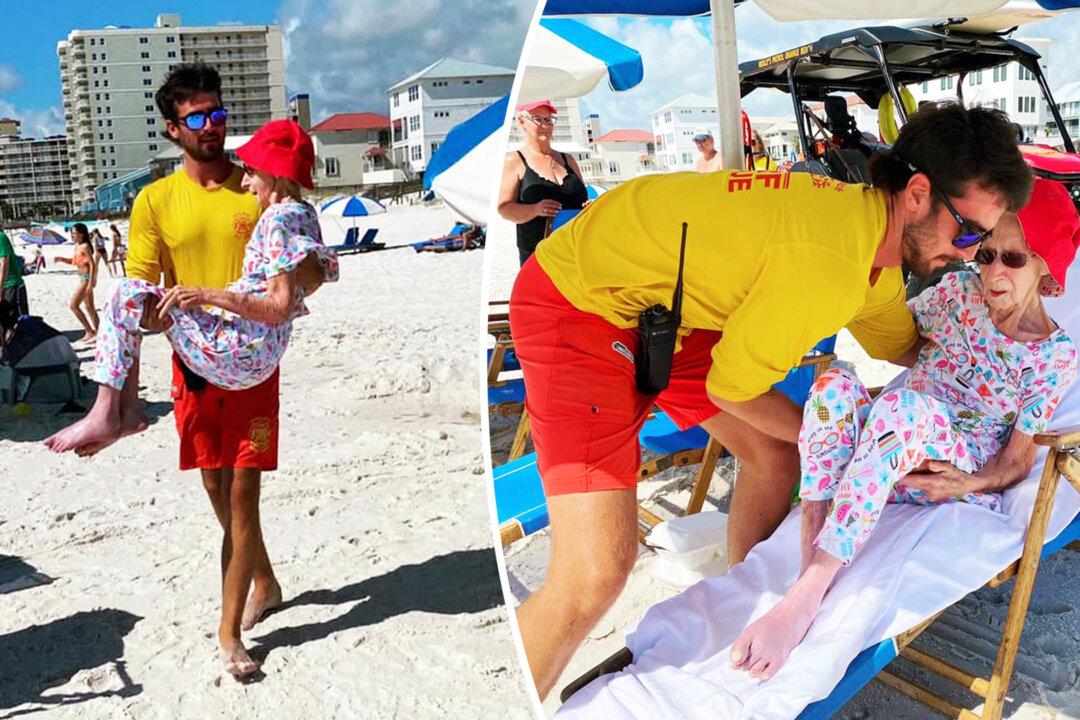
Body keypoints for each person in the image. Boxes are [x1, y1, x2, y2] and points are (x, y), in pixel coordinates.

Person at [508, 102, 1033, 699]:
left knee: (777, 457)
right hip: (579, 300)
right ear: (917, 194)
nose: (969, 256)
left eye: (985, 241)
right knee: (594, 574)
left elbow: (920, 349)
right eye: (967, 234)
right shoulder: (830, 263)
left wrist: (1012, 355)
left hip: (664, 308)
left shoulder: (872, 251)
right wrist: (849, 441)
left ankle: (745, 599)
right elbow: (730, 388)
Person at [730, 177, 1080, 680]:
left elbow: (1019, 458)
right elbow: (890, 328)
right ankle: (812, 550)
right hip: (887, 446)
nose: (993, 272)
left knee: (902, 411)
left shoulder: (1053, 355)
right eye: (986, 256)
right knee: (833, 385)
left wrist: (971, 482)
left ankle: (808, 595)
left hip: (943, 461)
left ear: (1047, 269)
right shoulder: (958, 293)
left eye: (1014, 258)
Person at [93, 63, 281, 679]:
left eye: (219, 114)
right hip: (194, 364)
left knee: (243, 490)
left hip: (254, 364)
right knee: (213, 485)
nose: (212, 126)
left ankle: (228, 635)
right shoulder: (155, 201)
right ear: (173, 129)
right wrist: (148, 312)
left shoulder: (257, 186)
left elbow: (300, 261)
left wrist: (285, 293)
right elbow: (145, 296)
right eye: (197, 118)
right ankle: (264, 577)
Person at [45, 120, 336, 464]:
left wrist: (205, 295)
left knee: (123, 293)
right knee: (135, 299)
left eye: (251, 171)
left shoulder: (276, 219)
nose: (244, 182)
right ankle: (127, 410)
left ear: (273, 173)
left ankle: (110, 413)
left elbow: (280, 307)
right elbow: (316, 278)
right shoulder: (304, 214)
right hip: (261, 352)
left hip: (238, 350)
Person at [497, 100, 587, 266]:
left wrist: (590, 207)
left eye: (548, 120)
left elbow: (581, 202)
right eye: (538, 119)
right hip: (537, 255)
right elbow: (504, 208)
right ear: (522, 122)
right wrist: (535, 209)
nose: (545, 125)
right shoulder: (514, 160)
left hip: (575, 252)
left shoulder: (569, 160)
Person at [53, 223, 99, 345]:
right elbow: (75, 262)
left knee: (74, 305)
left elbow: (92, 264)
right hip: (81, 278)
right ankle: (95, 332)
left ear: (81, 234)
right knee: (90, 308)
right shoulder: (77, 247)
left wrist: (91, 282)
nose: (72, 236)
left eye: (74, 233)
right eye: (71, 233)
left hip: (86, 279)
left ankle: (91, 331)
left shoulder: (85, 247)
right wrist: (62, 259)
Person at [0, 228, 29, 343]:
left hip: (12, 285)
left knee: (17, 324)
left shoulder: (1, 237)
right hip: (4, 286)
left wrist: (0, 288)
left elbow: (4, 264)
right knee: (4, 323)